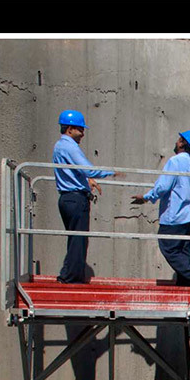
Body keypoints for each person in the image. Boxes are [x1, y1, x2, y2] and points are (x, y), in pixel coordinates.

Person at [130, 130, 190, 287]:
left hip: (175, 215)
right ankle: (186, 285)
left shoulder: (175, 161)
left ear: (182, 143)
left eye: (179, 139)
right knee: (184, 254)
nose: (176, 142)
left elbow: (163, 187)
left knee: (169, 247)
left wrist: (146, 197)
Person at [52, 109, 116, 283]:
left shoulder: (61, 146)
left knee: (76, 239)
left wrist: (88, 180)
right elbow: (88, 169)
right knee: (78, 240)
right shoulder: (69, 147)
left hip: (69, 197)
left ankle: (73, 275)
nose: (82, 134)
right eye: (80, 129)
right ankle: (69, 277)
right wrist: (112, 173)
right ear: (70, 129)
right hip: (75, 198)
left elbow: (72, 173)